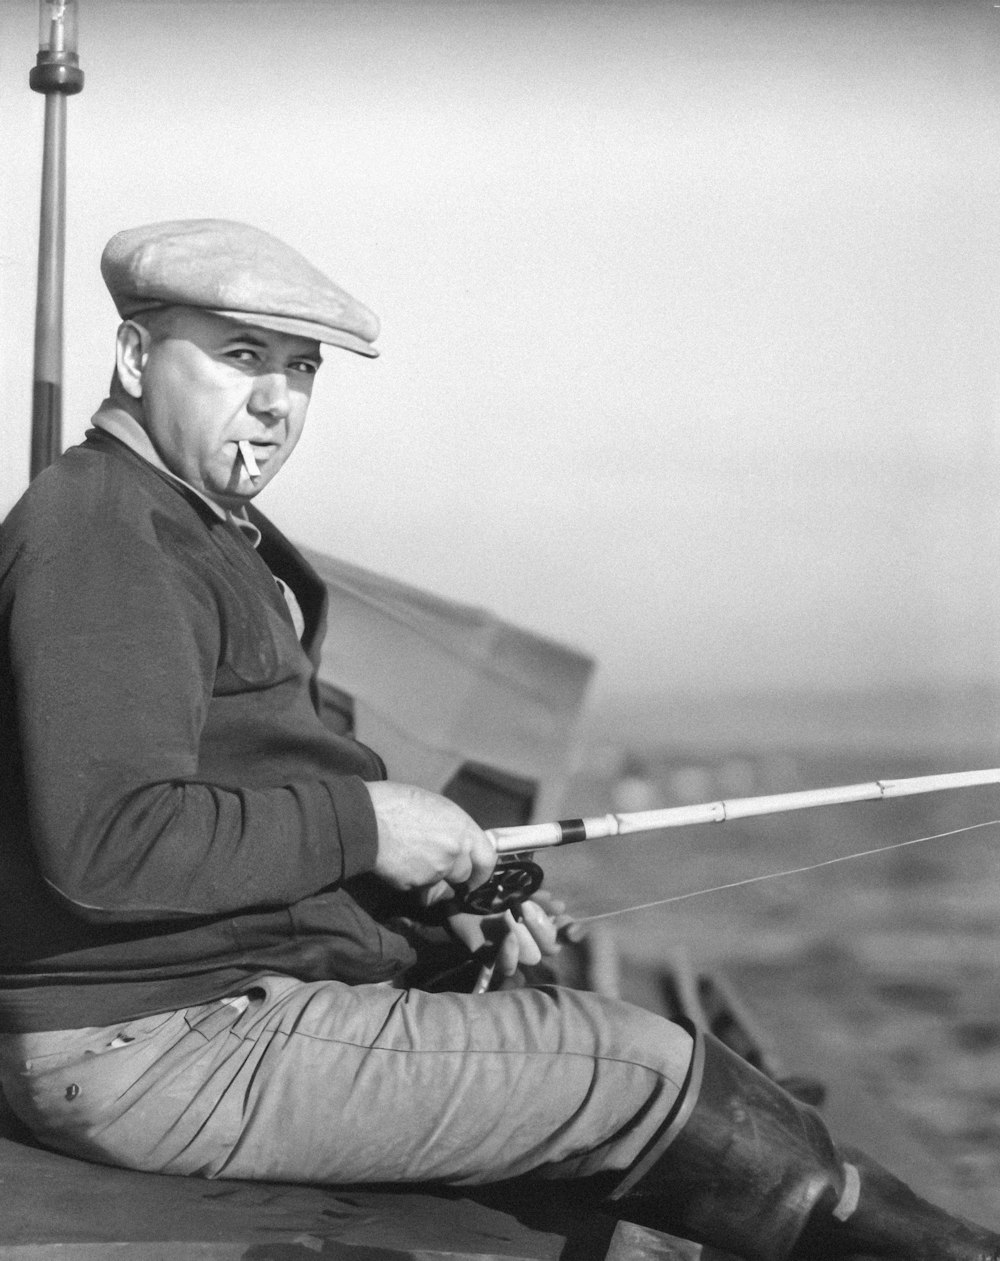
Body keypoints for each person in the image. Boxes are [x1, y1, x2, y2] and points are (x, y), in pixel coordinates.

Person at [0, 218, 996, 1261]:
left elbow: (236, 801)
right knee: (644, 1071)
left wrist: (430, 910)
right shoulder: (106, 537)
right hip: (151, 1045)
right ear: (133, 356)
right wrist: (372, 824)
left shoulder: (184, 524)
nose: (276, 402)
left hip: (206, 1005)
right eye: (241, 356)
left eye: (300, 369)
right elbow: (111, 843)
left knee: (625, 1162)